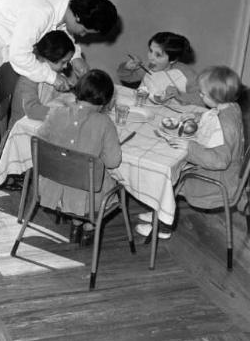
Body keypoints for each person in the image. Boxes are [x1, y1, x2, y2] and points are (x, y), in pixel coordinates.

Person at [0, 0, 118, 165]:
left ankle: (2, 153)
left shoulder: (68, 2)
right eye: (84, 31)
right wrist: (52, 77)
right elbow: (19, 55)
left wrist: (76, 57)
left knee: (0, 102)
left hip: (3, 40)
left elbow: (61, 29)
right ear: (79, 17)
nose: (82, 35)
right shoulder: (41, 11)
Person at [136, 66, 244, 238]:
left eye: (203, 94)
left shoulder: (225, 124)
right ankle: (162, 211)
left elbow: (220, 161)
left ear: (217, 97)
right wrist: (198, 118)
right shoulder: (230, 108)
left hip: (216, 179)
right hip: (223, 171)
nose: (200, 96)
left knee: (169, 174)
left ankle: (164, 225)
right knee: (172, 165)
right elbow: (213, 119)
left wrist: (189, 147)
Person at [36, 69, 122, 246]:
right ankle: (89, 227)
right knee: (107, 178)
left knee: (77, 171)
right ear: (106, 101)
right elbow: (113, 162)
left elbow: (40, 142)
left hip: (52, 188)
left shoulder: (56, 112)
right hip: (90, 196)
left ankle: (76, 223)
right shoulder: (105, 123)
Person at [9, 30, 76, 127]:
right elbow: (32, 110)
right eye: (63, 62)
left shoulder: (55, 74)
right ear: (47, 58)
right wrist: (63, 115)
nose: (66, 66)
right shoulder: (28, 79)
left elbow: (62, 94)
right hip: (22, 131)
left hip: (40, 124)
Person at [117, 32, 200, 104]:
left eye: (158, 55)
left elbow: (200, 100)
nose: (150, 57)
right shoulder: (149, 66)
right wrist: (127, 68)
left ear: (173, 59)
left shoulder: (187, 74)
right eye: (150, 51)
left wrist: (179, 94)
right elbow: (127, 78)